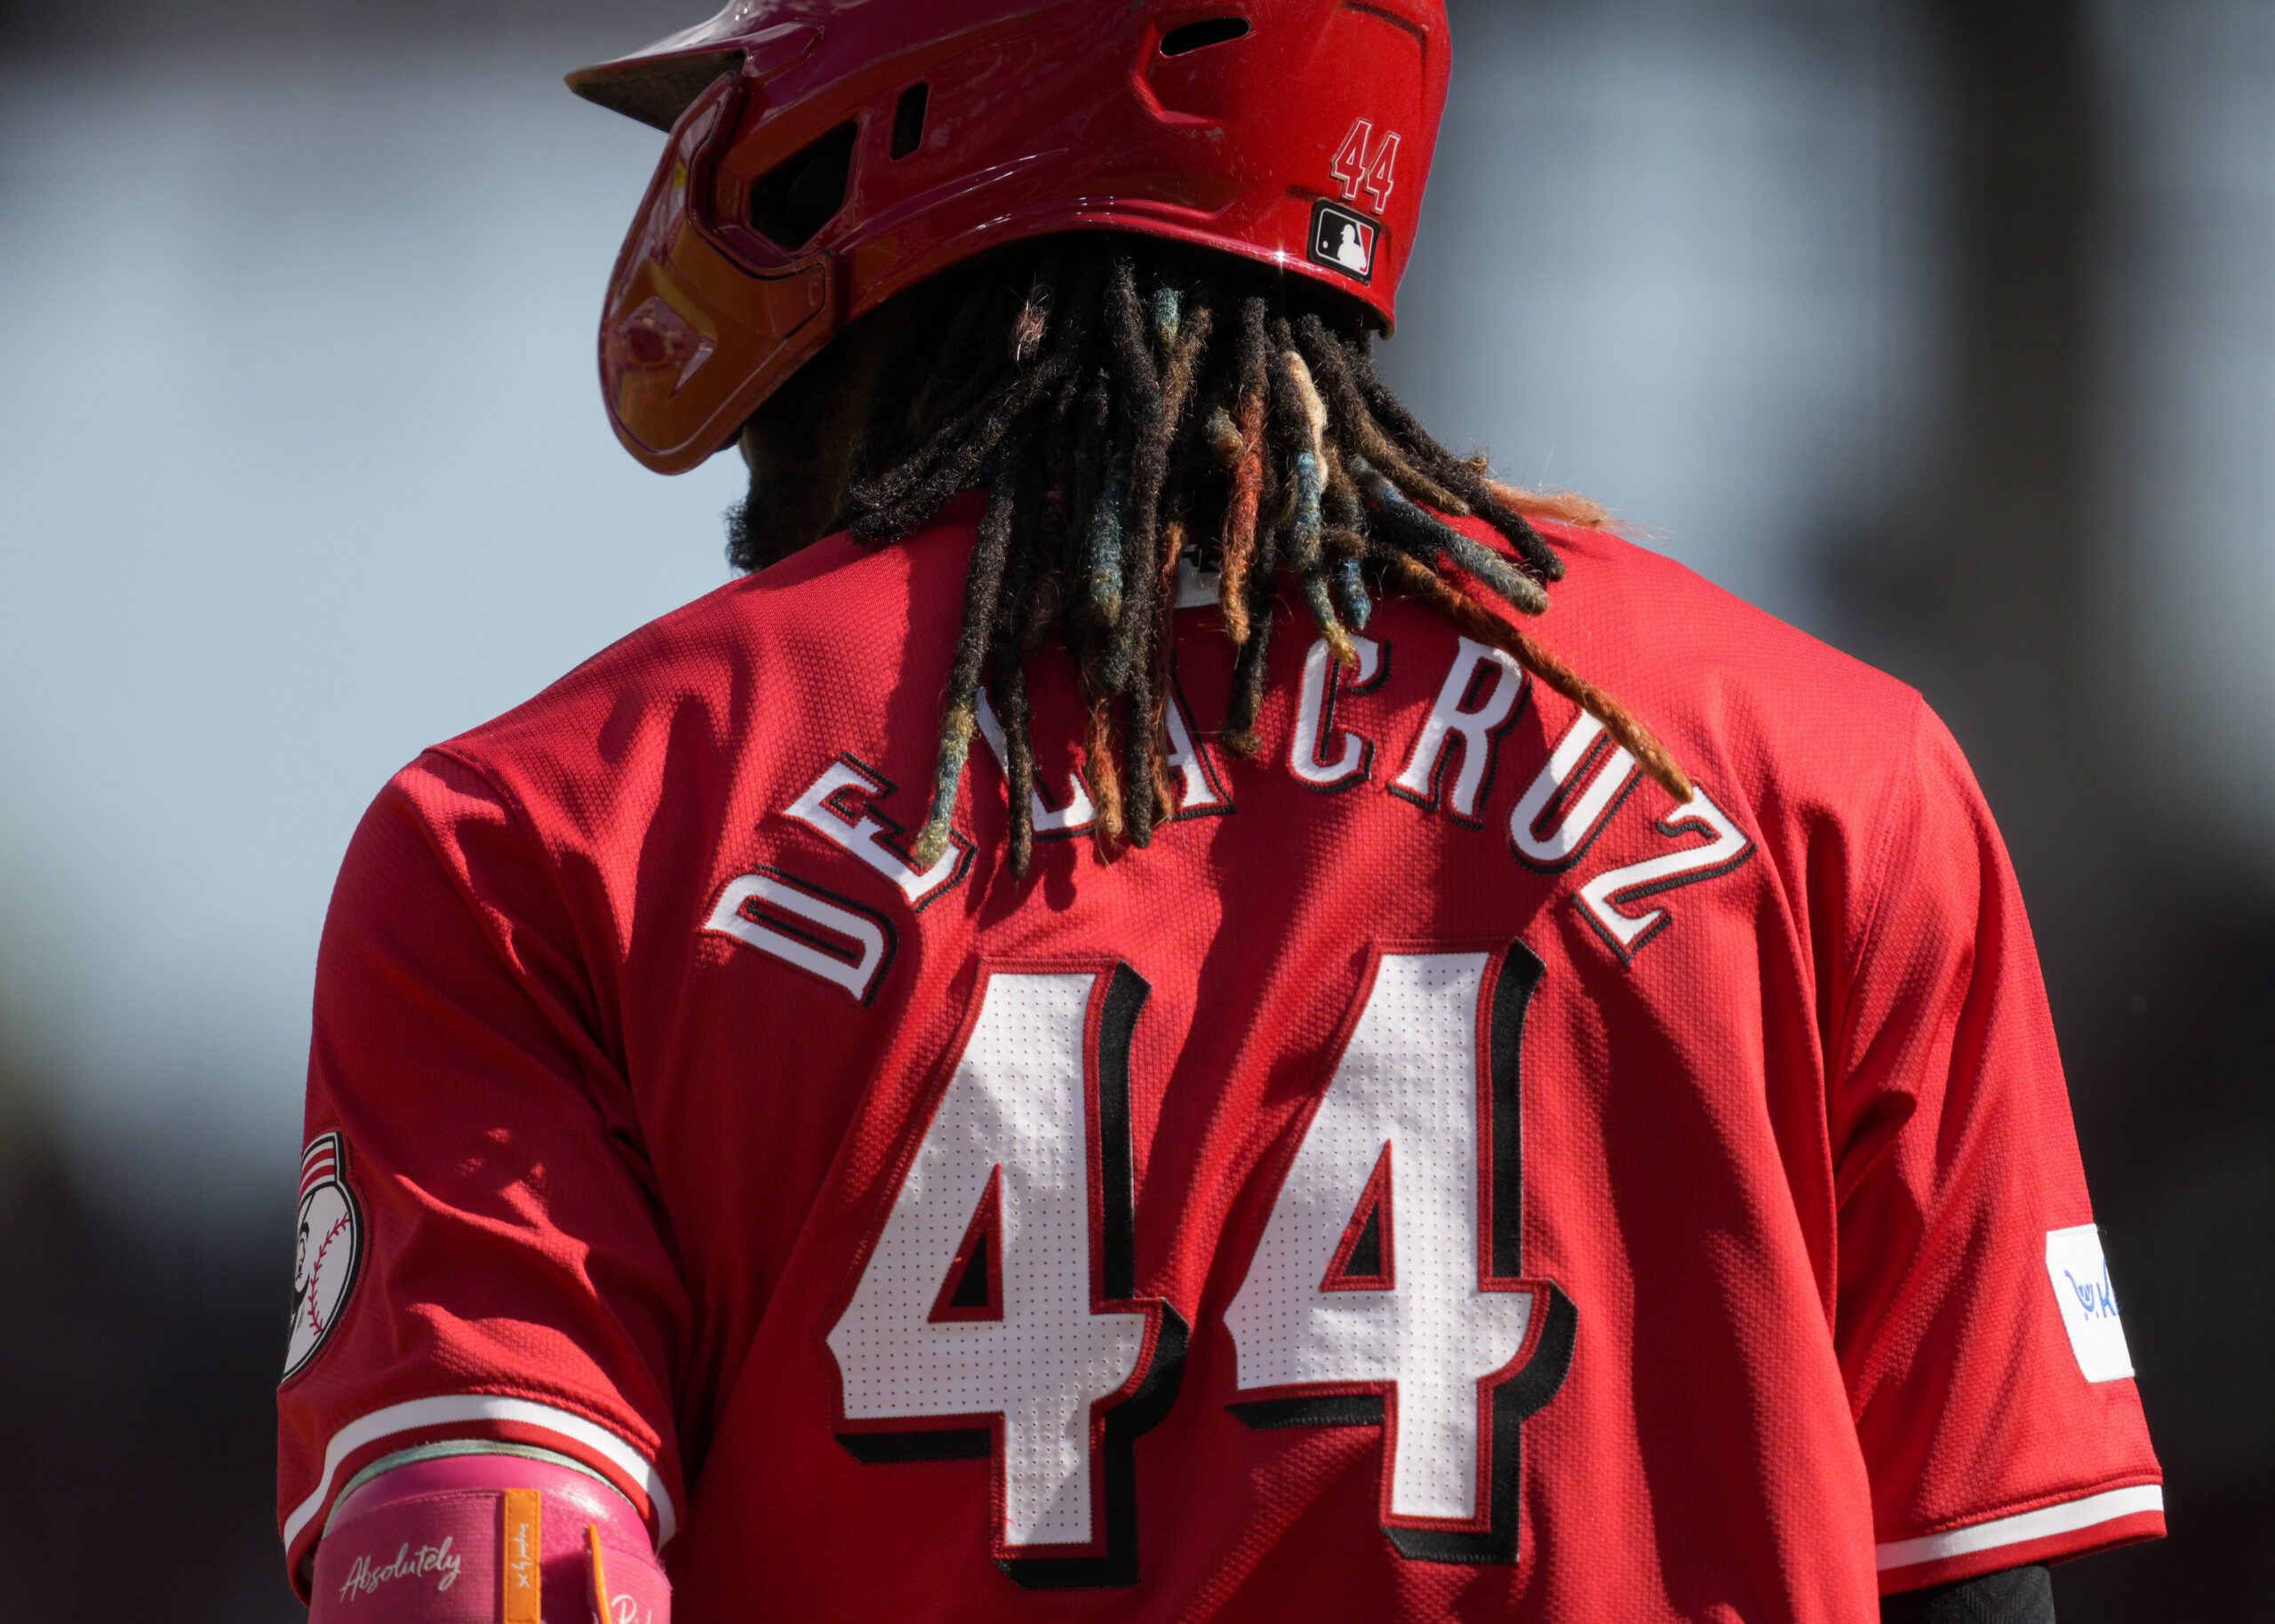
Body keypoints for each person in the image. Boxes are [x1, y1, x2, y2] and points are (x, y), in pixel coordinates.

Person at [275, 4, 2163, 1620]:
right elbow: (1982, 1582)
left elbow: (502, 1564)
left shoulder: (538, 829)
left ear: (880, 138)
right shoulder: (1828, 775)